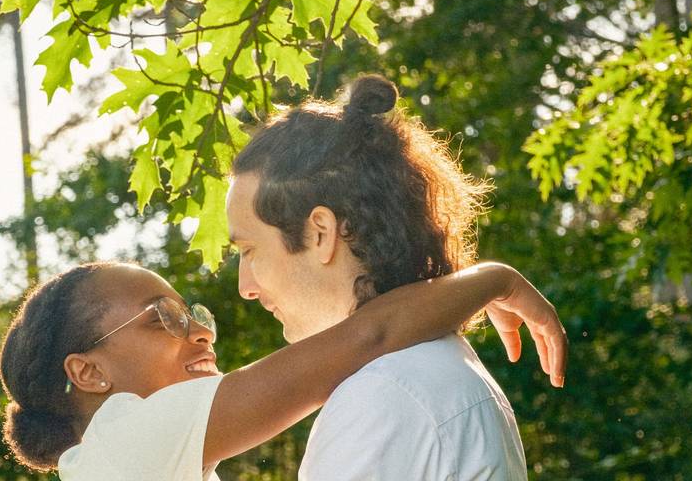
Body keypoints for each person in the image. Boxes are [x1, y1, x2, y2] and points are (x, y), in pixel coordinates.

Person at [228, 74, 555, 480]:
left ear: (321, 233)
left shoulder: (383, 396)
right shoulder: (435, 369)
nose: (246, 288)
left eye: (249, 251)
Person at [0, 258, 565, 480]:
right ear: (89, 373)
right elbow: (368, 336)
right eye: (161, 319)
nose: (199, 332)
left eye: (193, 314)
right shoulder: (124, 441)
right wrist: (497, 279)